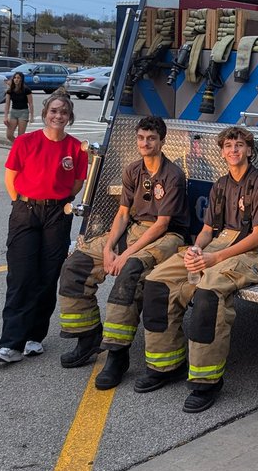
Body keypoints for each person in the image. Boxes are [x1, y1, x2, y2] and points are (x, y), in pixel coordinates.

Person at [140, 125, 258, 412]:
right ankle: (166, 365)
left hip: (247, 253)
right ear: (222, 152)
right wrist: (196, 250)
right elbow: (206, 230)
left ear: (249, 150)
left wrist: (214, 259)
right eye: (228, 146)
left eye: (239, 145)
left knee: (207, 295)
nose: (233, 151)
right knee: (156, 282)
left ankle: (206, 383)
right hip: (214, 248)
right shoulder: (220, 185)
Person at [56, 115, 189, 389]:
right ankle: (88, 336)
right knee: (76, 265)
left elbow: (162, 224)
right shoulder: (132, 170)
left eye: (151, 138)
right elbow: (122, 214)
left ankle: (117, 355)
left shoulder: (173, 175)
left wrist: (126, 255)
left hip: (167, 236)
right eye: (141, 138)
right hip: (135, 228)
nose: (145, 143)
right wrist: (107, 248)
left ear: (162, 141)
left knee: (129, 274)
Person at [0, 93, 87, 364]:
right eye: (54, 110)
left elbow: (78, 182)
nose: (58, 116)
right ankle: (10, 343)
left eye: (64, 112)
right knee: (21, 276)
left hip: (57, 213)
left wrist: (57, 202)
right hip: (26, 211)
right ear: (45, 113)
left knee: (47, 275)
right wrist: (23, 202)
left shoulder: (75, 148)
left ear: (70, 117)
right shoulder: (25, 142)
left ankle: (35, 337)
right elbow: (10, 178)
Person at [3, 71, 34, 143]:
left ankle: (18, 150)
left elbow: (31, 103)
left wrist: (31, 116)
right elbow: (7, 104)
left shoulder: (26, 90)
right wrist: (5, 117)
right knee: (9, 135)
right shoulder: (10, 91)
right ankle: (18, 146)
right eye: (15, 78)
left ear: (21, 79)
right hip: (14, 112)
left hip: (23, 112)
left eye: (18, 78)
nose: (16, 79)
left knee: (20, 136)